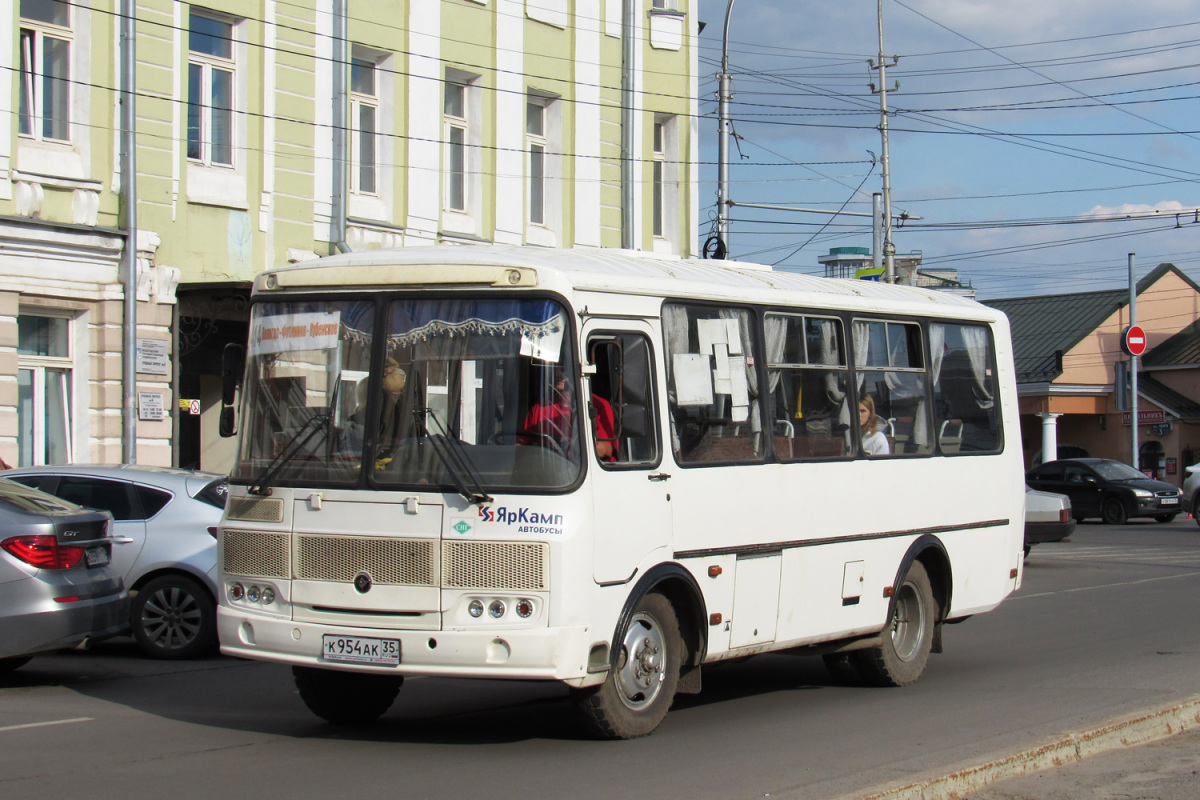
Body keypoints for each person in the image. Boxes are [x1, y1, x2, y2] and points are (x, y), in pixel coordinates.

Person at [523, 367, 617, 461]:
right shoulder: (539, 408)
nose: (559, 373)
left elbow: (607, 450)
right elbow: (523, 445)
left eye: (565, 369)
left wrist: (574, 446)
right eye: (556, 368)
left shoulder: (598, 405)